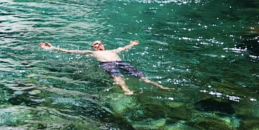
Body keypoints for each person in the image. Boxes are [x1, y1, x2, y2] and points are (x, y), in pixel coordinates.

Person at [40, 39, 171, 95]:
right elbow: (70, 51)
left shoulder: (113, 50)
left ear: (103, 45)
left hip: (120, 62)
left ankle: (159, 86)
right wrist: (52, 48)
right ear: (93, 48)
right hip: (106, 64)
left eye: (99, 44)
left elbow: (124, 48)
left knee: (140, 75)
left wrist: (132, 44)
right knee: (117, 77)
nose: (98, 46)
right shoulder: (91, 52)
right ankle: (127, 90)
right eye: (95, 45)